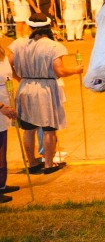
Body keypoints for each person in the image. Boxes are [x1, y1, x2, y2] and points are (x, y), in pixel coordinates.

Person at [8, 13, 84, 174]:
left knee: (28, 129)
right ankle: (49, 164)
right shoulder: (53, 46)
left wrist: (19, 77)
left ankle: (33, 162)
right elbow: (60, 70)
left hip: (25, 87)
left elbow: (8, 66)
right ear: (48, 27)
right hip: (46, 88)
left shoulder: (18, 44)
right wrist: (76, 70)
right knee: (49, 128)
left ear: (29, 27)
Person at [0, 43, 20, 202]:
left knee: (2, 146)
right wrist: (2, 107)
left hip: (5, 104)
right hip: (1, 107)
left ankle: (1, 184)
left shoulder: (4, 56)